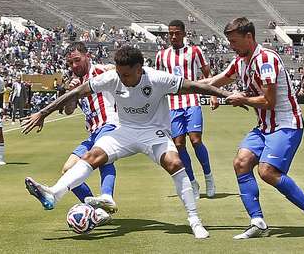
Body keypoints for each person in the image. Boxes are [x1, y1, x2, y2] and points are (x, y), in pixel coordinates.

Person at [21, 45, 232, 240]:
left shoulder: (159, 78)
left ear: (140, 69)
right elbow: (77, 92)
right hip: (125, 131)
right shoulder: (112, 77)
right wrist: (43, 112)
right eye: (120, 74)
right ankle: (53, 195)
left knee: (175, 163)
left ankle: (194, 220)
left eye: (127, 75)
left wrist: (227, 95)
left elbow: (195, 86)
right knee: (92, 156)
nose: (122, 79)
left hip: (153, 132)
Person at [200, 17, 304, 239]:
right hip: (265, 126)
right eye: (229, 41)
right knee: (241, 163)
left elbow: (269, 101)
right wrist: (176, 86)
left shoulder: (266, 59)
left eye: (234, 41)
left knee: (267, 171)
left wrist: (242, 99)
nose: (231, 46)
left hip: (286, 124)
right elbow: (214, 81)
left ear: (249, 37)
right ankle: (257, 222)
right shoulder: (240, 61)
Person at [154, 20, 216, 200]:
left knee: (196, 140)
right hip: (172, 104)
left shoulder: (194, 51)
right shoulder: (161, 56)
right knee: (179, 144)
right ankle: (192, 182)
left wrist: (213, 95)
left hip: (192, 100)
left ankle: (209, 177)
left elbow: (207, 73)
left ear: (184, 34)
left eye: (177, 33)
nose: (173, 36)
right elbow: (158, 80)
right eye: (170, 33)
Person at [60, 42, 120, 217]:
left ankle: (107, 196)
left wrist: (114, 67)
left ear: (88, 56)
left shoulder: (100, 71)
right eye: (70, 63)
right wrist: (72, 93)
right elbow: (69, 110)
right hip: (93, 131)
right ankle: (97, 210)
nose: (74, 66)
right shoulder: (76, 82)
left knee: (103, 159)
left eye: (77, 60)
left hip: (109, 123)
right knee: (67, 170)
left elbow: (126, 74)